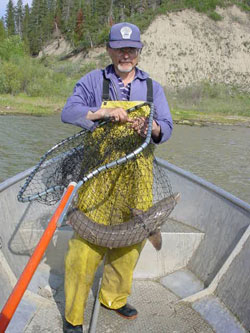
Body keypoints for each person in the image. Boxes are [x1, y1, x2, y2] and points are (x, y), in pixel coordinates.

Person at [61, 22, 173, 333]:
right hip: (99, 173)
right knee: (83, 248)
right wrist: (101, 114)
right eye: (120, 48)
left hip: (138, 173)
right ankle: (73, 316)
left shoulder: (153, 87)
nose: (126, 54)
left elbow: (167, 127)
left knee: (130, 245)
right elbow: (69, 112)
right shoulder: (93, 81)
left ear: (138, 52)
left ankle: (113, 298)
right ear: (109, 50)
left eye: (132, 49)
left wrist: (151, 128)